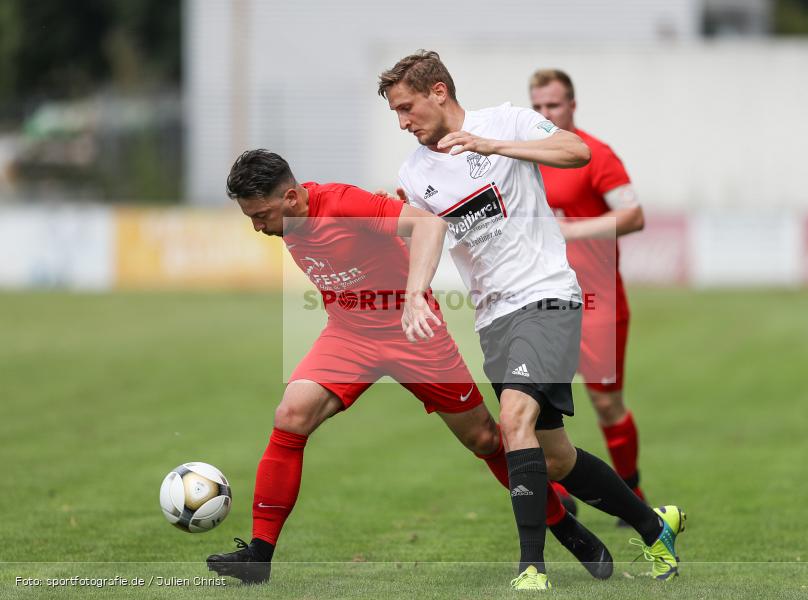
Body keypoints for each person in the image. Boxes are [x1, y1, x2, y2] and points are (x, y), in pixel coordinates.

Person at [205, 149, 612, 585]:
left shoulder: (344, 203)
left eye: (261, 216)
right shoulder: (286, 219)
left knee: (483, 438)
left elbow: (427, 224)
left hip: (413, 334)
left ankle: (562, 524)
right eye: (251, 218)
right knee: (290, 415)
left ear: (290, 198)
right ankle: (260, 555)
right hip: (348, 334)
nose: (258, 227)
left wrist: (414, 293)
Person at [378, 50, 685, 589]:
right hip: (493, 316)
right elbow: (430, 232)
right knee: (556, 458)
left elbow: (576, 150)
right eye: (395, 113)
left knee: (513, 420)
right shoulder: (415, 170)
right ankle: (653, 526)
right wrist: (414, 291)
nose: (402, 122)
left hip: (546, 295)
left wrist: (491, 145)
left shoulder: (507, 121)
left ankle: (531, 568)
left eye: (407, 108)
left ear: (438, 92)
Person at [529, 69, 648, 516]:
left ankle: (632, 493)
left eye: (553, 105)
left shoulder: (596, 154)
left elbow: (634, 216)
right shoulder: (525, 157)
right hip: (543, 301)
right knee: (532, 402)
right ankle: (559, 494)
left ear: (572, 105)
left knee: (605, 402)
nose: (545, 114)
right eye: (537, 106)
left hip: (598, 301)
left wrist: (571, 230)